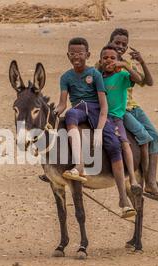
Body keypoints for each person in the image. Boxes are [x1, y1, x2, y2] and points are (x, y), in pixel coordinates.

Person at [55, 37, 136, 215]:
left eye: (80, 53)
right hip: (77, 108)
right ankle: (79, 165)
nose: (77, 56)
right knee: (68, 116)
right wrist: (54, 111)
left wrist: (99, 130)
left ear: (88, 55)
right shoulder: (65, 77)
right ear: (68, 55)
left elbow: (104, 105)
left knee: (115, 146)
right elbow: (62, 103)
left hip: (96, 111)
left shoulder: (96, 74)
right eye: (73, 53)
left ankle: (124, 198)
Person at [109, 28, 158, 202]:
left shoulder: (128, 64)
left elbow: (148, 82)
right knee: (145, 138)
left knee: (155, 137)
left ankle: (151, 180)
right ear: (110, 42)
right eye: (117, 43)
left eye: (123, 45)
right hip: (121, 110)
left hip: (134, 107)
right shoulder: (106, 62)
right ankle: (148, 181)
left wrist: (141, 62)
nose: (120, 47)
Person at [100, 44, 143, 192]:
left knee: (124, 143)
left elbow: (138, 79)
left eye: (113, 58)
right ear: (100, 61)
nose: (108, 60)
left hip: (116, 118)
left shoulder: (122, 76)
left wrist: (125, 65)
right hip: (100, 117)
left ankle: (132, 178)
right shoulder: (98, 78)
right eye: (105, 58)